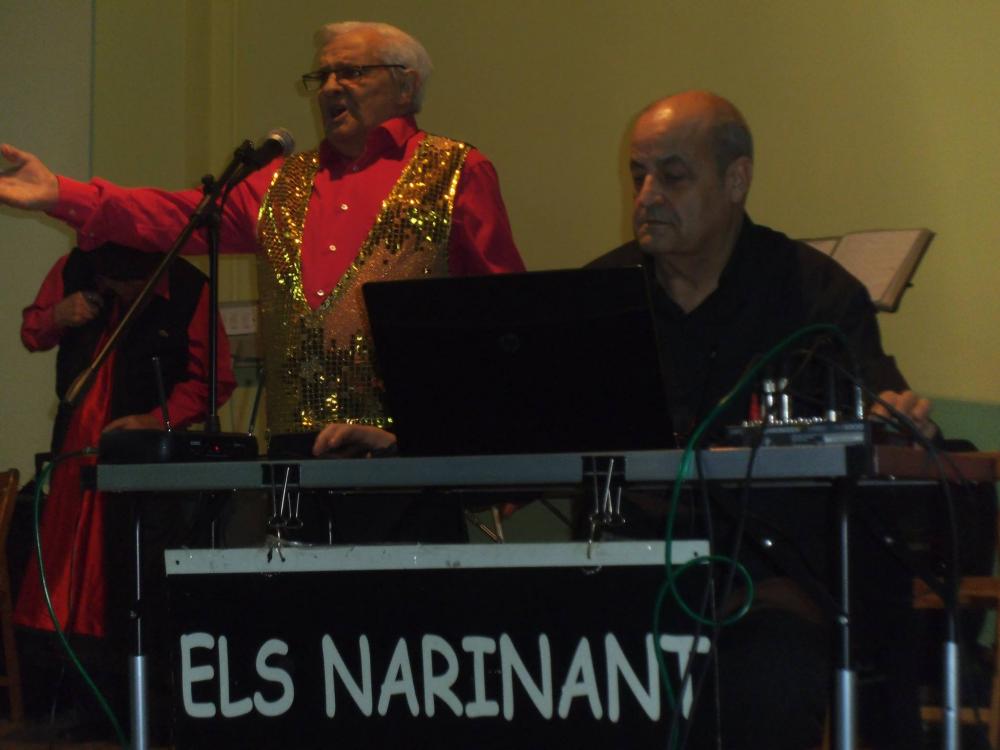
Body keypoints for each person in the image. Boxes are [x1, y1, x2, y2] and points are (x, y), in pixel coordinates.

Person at [0, 21, 525, 541]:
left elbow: (504, 317)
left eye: (351, 72)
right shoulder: (280, 183)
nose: (330, 88)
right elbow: (173, 215)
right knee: (295, 590)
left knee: (405, 592)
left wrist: (506, 448)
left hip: (404, 451)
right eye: (321, 76)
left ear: (406, 85)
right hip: (293, 453)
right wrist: (60, 194)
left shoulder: (456, 170)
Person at [587, 91, 967, 749]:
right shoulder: (598, 295)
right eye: (637, 175)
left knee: (764, 681)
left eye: (673, 176)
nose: (647, 196)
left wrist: (899, 418)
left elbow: (881, 413)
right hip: (624, 578)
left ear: (736, 180)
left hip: (770, 587)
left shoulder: (815, 294)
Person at [14, 241, 236, 736]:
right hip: (77, 456)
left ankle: (144, 710)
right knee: (68, 579)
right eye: (111, 282)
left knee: (134, 577)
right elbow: (32, 332)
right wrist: (58, 315)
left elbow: (213, 381)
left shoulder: (189, 289)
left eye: (129, 282)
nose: (118, 290)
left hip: (149, 464)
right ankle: (80, 704)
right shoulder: (73, 269)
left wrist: (155, 418)